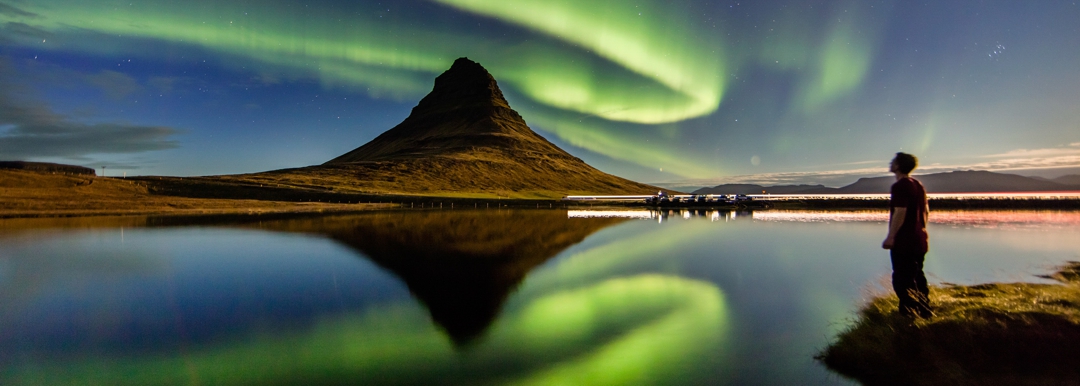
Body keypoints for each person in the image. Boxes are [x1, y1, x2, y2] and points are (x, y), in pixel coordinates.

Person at [881, 152, 932, 318]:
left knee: (902, 280)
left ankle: (908, 315)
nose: (891, 162)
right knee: (917, 276)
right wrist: (922, 230)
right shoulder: (918, 184)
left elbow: (900, 212)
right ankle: (924, 310)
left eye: (893, 160)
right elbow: (925, 211)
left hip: (904, 242)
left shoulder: (900, 186)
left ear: (898, 165)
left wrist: (891, 236)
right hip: (919, 240)